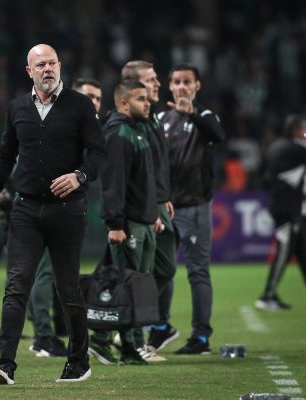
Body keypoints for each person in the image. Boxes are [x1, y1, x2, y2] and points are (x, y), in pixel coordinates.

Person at [0, 44, 106, 384]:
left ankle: (78, 361)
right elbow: (5, 153)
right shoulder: (17, 107)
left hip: (67, 211)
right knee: (16, 286)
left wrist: (79, 175)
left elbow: (98, 153)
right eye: (41, 64)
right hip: (24, 208)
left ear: (60, 66)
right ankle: (5, 365)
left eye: (52, 63)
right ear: (29, 71)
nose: (47, 69)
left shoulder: (81, 105)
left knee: (68, 290)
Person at [27, 77, 103, 359]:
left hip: (68, 207)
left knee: (57, 275)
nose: (93, 102)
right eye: (88, 97)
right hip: (51, 207)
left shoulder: (85, 126)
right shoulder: (62, 123)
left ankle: (51, 333)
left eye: (97, 98)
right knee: (46, 274)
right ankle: (43, 336)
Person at [160, 63, 225, 354]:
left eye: (188, 82)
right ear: (170, 86)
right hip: (165, 208)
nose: (182, 86)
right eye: (177, 82)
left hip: (196, 207)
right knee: (161, 270)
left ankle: (200, 337)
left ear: (197, 86)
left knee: (197, 272)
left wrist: (193, 114)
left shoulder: (206, 116)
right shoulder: (160, 118)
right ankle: (160, 327)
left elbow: (217, 135)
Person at [122, 61, 180, 354]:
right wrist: (150, 205)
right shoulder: (132, 123)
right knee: (139, 274)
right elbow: (134, 173)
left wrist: (163, 195)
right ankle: (129, 337)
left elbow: (156, 165)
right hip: (145, 209)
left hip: (158, 202)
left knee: (163, 270)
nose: (158, 83)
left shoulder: (152, 117)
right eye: (151, 79)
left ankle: (125, 328)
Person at [99, 80, 158, 365]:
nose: (147, 103)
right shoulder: (119, 134)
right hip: (129, 225)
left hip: (144, 222)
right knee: (128, 287)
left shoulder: (136, 131)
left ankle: (129, 344)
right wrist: (116, 224)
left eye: (147, 99)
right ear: (123, 103)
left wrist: (153, 214)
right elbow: (114, 184)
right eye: (140, 99)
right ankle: (127, 349)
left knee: (138, 287)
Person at [255, 114, 306, 310]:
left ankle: (269, 294)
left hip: (281, 204)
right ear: (295, 130)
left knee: (302, 250)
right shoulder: (294, 148)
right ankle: (267, 295)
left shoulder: (279, 146)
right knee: (284, 250)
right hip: (287, 208)